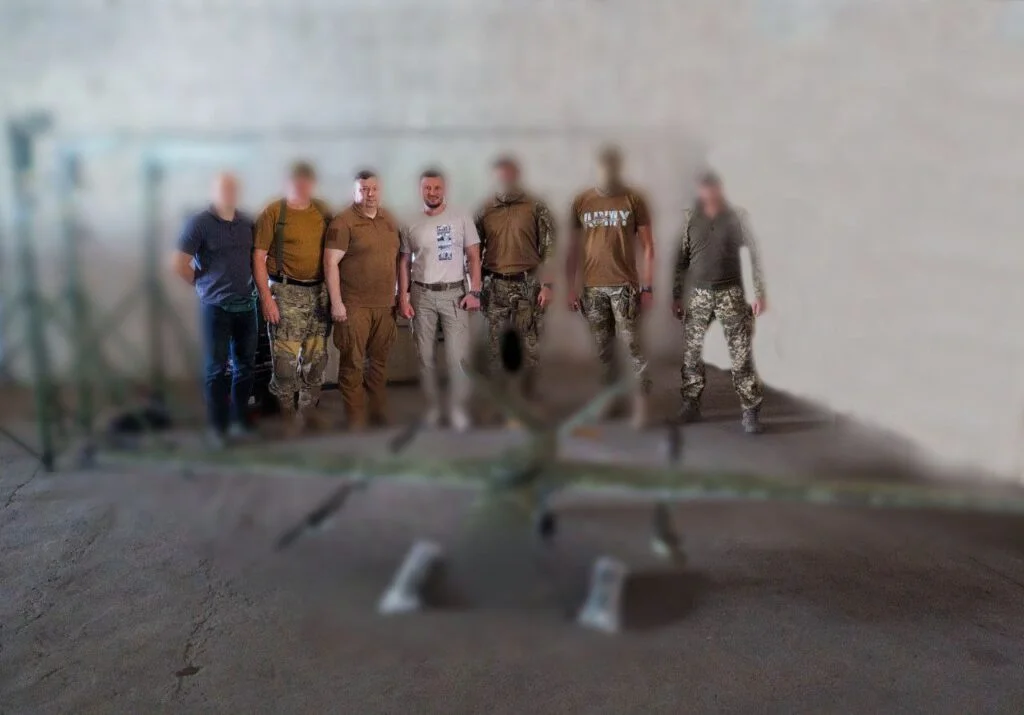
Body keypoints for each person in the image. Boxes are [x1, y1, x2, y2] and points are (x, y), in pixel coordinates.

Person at [566, 146, 655, 429]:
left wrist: (647, 287)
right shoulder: (582, 201)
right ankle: (610, 400)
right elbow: (573, 248)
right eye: (602, 167)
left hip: (624, 286)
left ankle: (641, 405)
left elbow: (648, 247)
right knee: (603, 351)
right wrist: (571, 287)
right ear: (597, 169)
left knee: (633, 348)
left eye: (612, 166)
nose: (607, 172)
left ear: (619, 168)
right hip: (592, 288)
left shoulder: (633, 199)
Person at [672, 171, 767, 434]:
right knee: (691, 354)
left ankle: (750, 410)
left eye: (712, 187)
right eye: (703, 187)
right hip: (698, 295)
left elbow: (755, 255)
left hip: (730, 294)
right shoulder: (689, 218)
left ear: (720, 188)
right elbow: (680, 261)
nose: (708, 192)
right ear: (698, 189)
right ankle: (690, 404)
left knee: (741, 354)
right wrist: (676, 296)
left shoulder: (737, 216)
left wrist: (759, 293)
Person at [171, 172, 257, 448]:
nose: (228, 193)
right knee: (216, 369)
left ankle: (239, 422)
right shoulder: (199, 224)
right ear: (213, 191)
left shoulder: (247, 222)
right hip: (216, 308)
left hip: (247, 306)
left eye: (232, 188)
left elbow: (255, 259)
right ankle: (217, 429)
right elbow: (179, 264)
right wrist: (202, 285)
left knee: (245, 367)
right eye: (222, 189)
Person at [397, 168, 482, 431]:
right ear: (420, 189)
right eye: (427, 188)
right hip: (421, 295)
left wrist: (475, 291)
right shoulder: (410, 221)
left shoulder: (461, 217)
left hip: (455, 295)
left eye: (437, 188)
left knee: (458, 358)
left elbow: (474, 256)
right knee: (425, 357)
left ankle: (457, 408)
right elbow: (404, 262)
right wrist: (403, 296)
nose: (432, 193)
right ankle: (433, 408)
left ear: (444, 189)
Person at [252, 161, 333, 436]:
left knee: (316, 360)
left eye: (306, 180)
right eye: (296, 180)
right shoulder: (273, 212)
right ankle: (287, 415)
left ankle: (308, 413)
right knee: (284, 365)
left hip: (319, 294)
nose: (301, 185)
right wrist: (266, 299)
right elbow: (258, 257)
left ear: (312, 183)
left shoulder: (322, 211)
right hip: (285, 294)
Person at [474, 155, 556, 407]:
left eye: (509, 175)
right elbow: (473, 250)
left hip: (527, 284)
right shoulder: (484, 209)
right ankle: (499, 397)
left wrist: (548, 285)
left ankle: (528, 394)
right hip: (494, 285)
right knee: (494, 345)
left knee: (530, 344)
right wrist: (475, 287)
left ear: (516, 176)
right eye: (500, 176)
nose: (505, 180)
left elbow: (549, 248)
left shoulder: (535, 206)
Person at [324, 170, 402, 430]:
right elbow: (330, 263)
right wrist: (337, 303)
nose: (370, 194)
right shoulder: (342, 222)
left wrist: (400, 295)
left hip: (385, 306)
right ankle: (356, 419)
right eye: (364, 189)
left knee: (379, 364)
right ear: (355, 191)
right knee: (353, 365)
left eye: (374, 189)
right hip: (354, 306)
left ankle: (378, 413)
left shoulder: (389, 219)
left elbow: (399, 259)